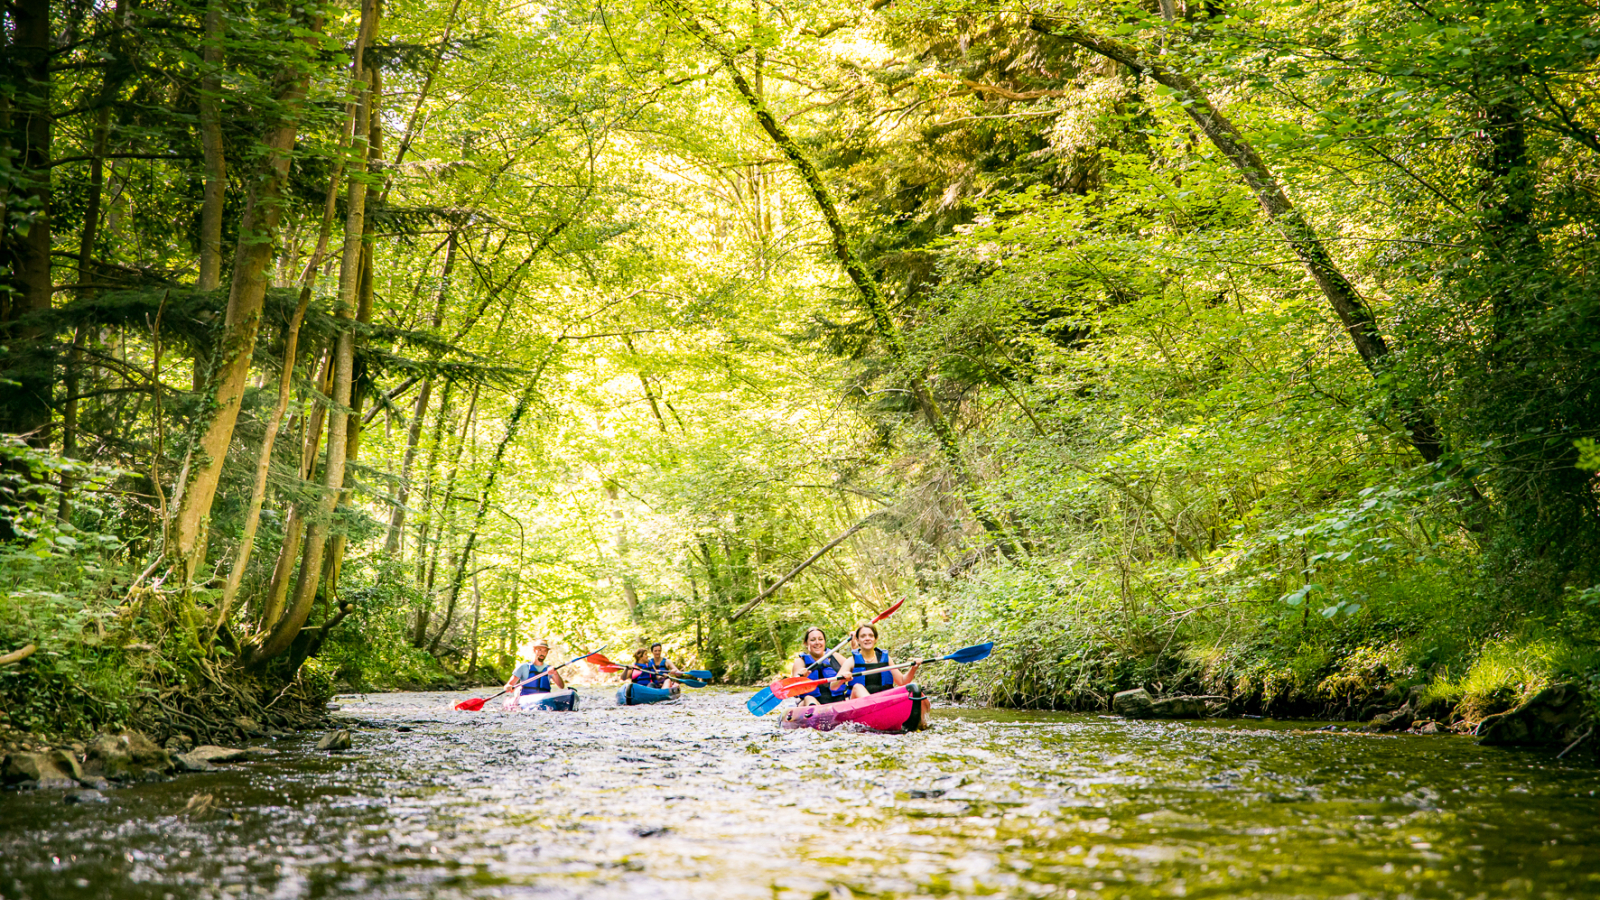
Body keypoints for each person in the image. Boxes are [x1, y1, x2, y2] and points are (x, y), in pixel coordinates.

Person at [848, 624, 919, 698]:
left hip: (882, 702)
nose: (867, 638)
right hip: (859, 705)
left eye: (871, 636)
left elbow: (902, 682)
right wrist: (843, 678)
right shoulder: (851, 661)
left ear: (876, 639)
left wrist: (913, 668)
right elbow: (834, 685)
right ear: (857, 640)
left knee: (916, 691)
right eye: (863, 636)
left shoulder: (886, 659)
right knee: (857, 687)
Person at [790, 626, 853, 706]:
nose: (817, 642)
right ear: (806, 643)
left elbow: (856, 668)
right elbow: (794, 686)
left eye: (820, 639)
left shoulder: (835, 656)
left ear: (824, 642)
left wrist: (855, 647)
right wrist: (801, 678)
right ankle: (814, 714)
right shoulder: (800, 662)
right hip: (812, 703)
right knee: (808, 698)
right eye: (812, 640)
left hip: (837, 702)